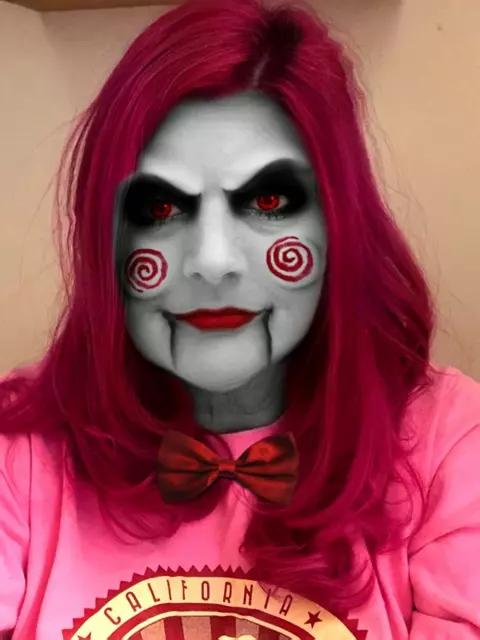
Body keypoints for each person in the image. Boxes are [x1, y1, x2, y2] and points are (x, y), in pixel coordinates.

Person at [1, 0, 479, 637]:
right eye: (161, 209)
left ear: (339, 224)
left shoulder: (449, 445)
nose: (213, 261)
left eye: (270, 200)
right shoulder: (19, 449)